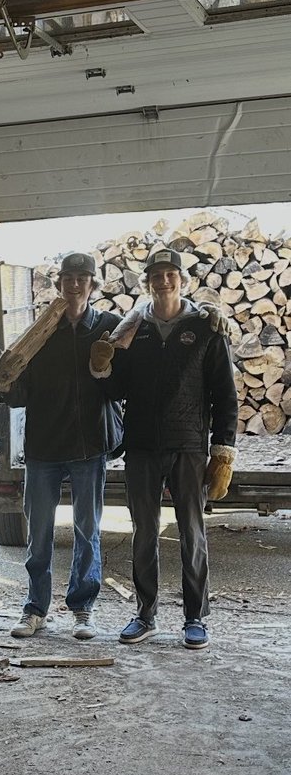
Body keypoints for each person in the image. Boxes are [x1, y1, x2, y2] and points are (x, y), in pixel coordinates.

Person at [90, 247, 238, 649]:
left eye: (171, 274)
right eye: (156, 275)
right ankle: (145, 614)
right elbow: (117, 389)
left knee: (192, 531)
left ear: (182, 279)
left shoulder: (206, 327)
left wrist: (223, 449)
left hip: (189, 445)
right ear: (148, 282)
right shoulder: (133, 329)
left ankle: (195, 618)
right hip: (141, 445)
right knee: (144, 532)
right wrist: (103, 366)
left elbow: (225, 394)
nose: (164, 280)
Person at [0, 251, 122, 640]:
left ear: (92, 285)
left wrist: (103, 369)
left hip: (89, 447)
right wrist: (4, 381)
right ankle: (35, 609)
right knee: (40, 532)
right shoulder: (41, 333)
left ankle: (83, 609)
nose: (74, 284)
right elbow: (18, 394)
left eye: (82, 278)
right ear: (60, 284)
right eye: (68, 278)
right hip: (44, 448)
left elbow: (121, 388)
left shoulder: (108, 328)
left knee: (88, 530)